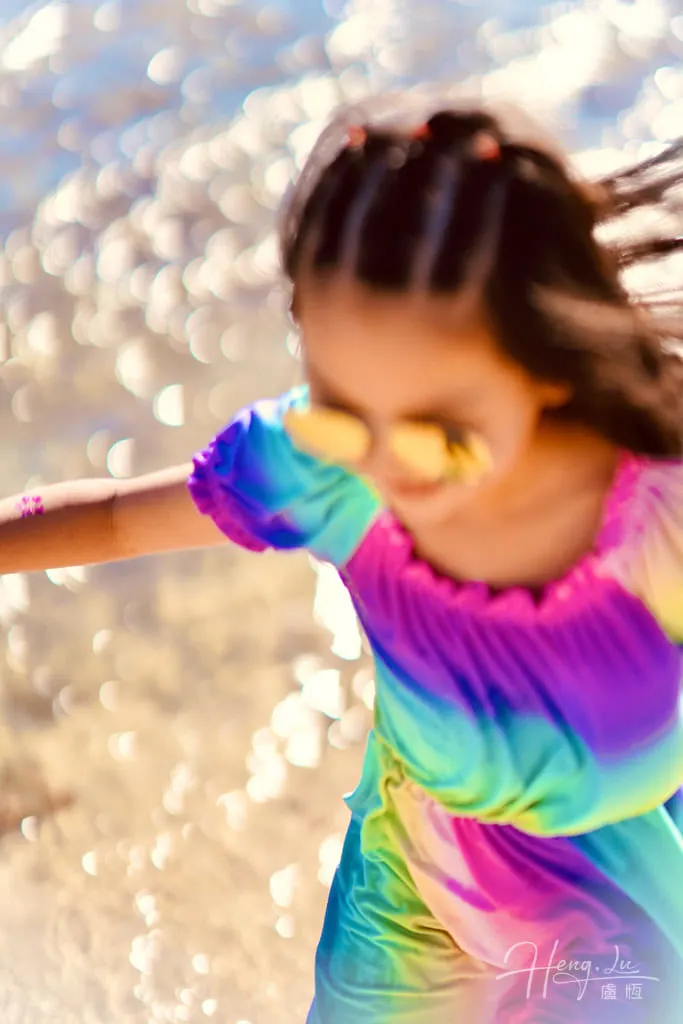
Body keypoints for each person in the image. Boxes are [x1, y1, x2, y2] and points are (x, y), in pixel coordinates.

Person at [2, 99, 683, 1022]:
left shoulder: (656, 520)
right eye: (336, 410)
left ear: (548, 366)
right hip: (416, 878)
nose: (382, 466)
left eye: (437, 436)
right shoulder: (335, 474)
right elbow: (122, 520)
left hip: (608, 905)